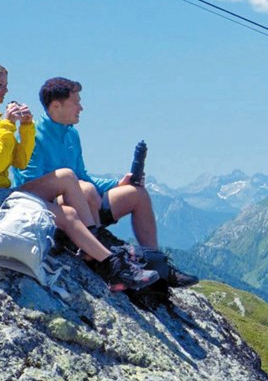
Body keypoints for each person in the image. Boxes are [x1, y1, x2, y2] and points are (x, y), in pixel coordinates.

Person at [16, 75, 198, 288]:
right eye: (76, 102)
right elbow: (29, 183)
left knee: (135, 193)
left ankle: (157, 265)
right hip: (60, 212)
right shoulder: (34, 135)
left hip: (86, 204)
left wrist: (117, 184)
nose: (81, 108)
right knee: (83, 189)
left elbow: (83, 175)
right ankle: (101, 257)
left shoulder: (72, 135)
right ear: (56, 106)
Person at [0, 63, 158, 291]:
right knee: (76, 185)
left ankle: (127, 261)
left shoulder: (68, 134)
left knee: (76, 197)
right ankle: (106, 256)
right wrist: (9, 126)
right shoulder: (3, 124)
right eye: (0, 84)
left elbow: (18, 159)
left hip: (12, 193)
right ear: (56, 105)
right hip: (2, 196)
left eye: (6, 84)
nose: (6, 91)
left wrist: (26, 127)